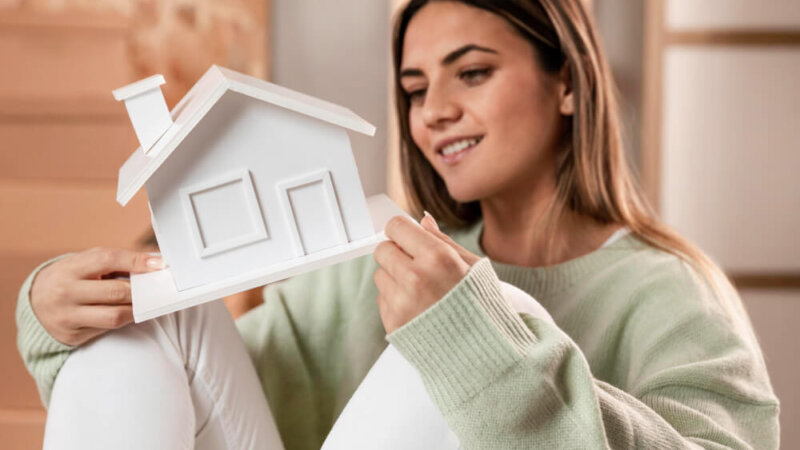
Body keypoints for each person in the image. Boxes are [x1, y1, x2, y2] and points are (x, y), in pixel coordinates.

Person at [17, 0, 779, 448]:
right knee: (156, 321)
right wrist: (59, 310)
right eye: (415, 88)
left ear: (569, 85)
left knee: (487, 312)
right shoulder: (376, 262)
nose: (434, 110)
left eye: (472, 72)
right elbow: (170, 398)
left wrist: (477, 343)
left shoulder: (669, 294)